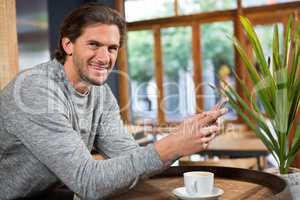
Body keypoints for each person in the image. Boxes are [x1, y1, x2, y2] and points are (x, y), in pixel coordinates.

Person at [0, 3, 226, 200]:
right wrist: (172, 145)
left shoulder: (101, 94)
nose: (104, 57)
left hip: (48, 193)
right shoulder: (36, 89)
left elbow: (128, 158)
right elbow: (88, 182)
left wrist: (181, 137)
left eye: (112, 48)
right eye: (93, 45)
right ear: (68, 45)